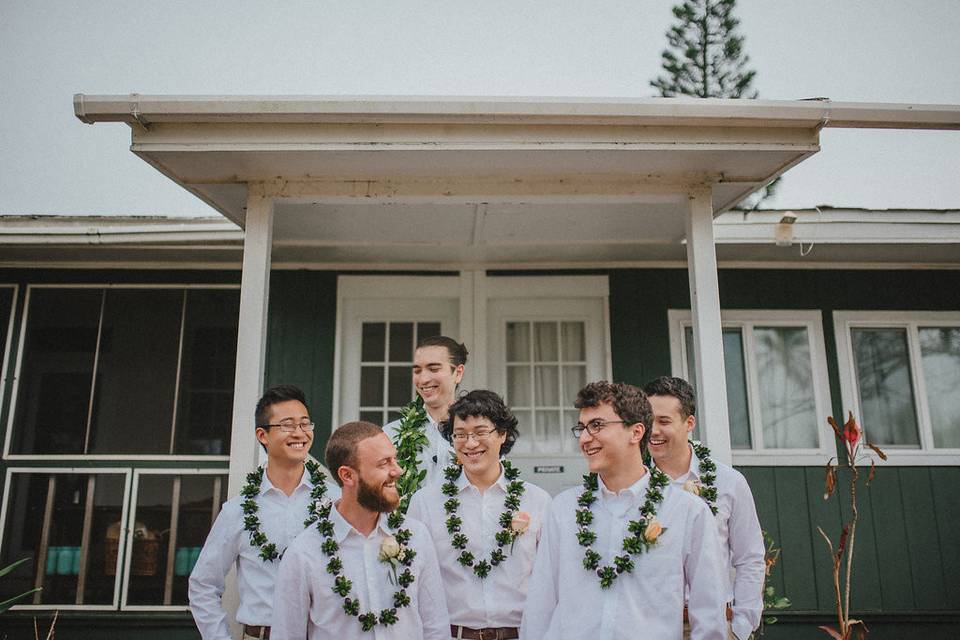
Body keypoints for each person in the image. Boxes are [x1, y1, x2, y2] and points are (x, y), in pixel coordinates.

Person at [520, 381, 727, 640]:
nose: (585, 438)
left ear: (636, 432)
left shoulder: (687, 511)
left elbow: (709, 613)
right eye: (581, 428)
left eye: (597, 425)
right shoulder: (563, 509)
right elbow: (542, 602)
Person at [271, 421, 450, 640]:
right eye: (384, 463)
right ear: (347, 476)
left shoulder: (416, 537)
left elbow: (436, 627)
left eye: (394, 459)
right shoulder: (304, 553)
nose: (398, 470)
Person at [189, 384, 341, 640]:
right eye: (287, 425)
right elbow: (203, 584)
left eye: (305, 424)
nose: (300, 433)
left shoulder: (337, 502)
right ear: (263, 435)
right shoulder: (237, 511)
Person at [408, 390, 551, 640]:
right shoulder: (426, 503)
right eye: (460, 435)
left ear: (502, 435)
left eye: (481, 432)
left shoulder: (537, 500)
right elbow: (414, 583)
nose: (470, 443)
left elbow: (550, 582)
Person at [643, 376, 765, 640]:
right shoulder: (634, 485)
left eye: (664, 421)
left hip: (716, 625)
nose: (653, 430)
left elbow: (750, 557)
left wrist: (742, 625)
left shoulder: (729, 483)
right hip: (648, 625)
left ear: (689, 423)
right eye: (648, 420)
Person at [384, 335, 469, 492]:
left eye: (434, 369)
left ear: (458, 373)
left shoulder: (478, 433)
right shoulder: (390, 436)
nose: (423, 379)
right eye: (417, 371)